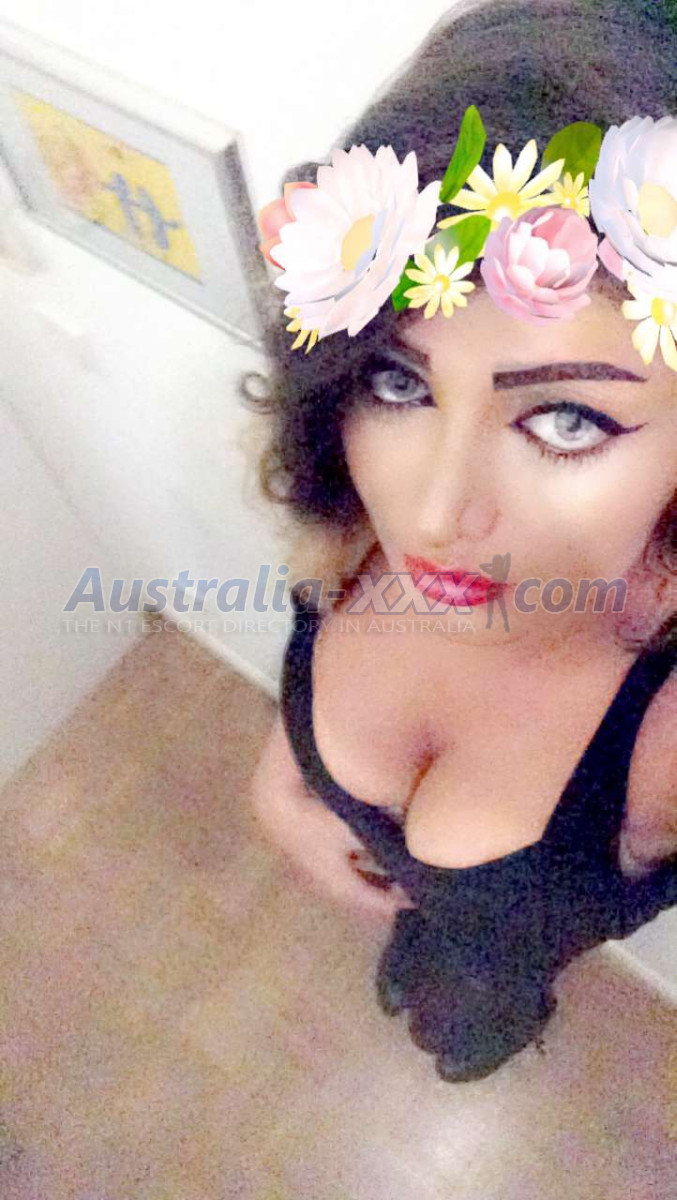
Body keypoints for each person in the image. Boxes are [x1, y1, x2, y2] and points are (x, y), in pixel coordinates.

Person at [245, 0, 677, 1081]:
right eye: (398, 382)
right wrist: (285, 787)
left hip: (491, 975)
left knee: (460, 1016)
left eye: (567, 420)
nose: (433, 515)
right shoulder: (354, 532)